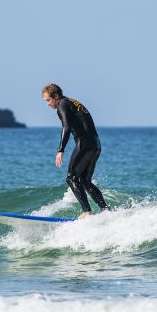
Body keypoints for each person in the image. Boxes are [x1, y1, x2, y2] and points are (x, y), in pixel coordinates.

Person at [41, 83, 109, 218]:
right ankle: (106, 211)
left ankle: (87, 212)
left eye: (48, 100)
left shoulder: (62, 105)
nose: (48, 104)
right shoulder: (71, 102)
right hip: (95, 144)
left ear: (56, 96)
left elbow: (66, 126)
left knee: (71, 178)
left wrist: (60, 150)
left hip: (84, 144)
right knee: (84, 180)